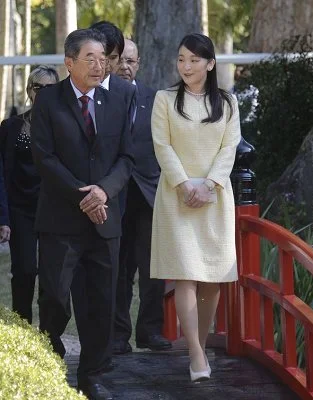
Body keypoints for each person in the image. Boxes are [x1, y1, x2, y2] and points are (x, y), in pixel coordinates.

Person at [30, 28, 134, 400]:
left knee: (101, 301)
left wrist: (103, 191)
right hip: (61, 220)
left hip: (106, 220)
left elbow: (127, 156)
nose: (99, 64)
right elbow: (43, 158)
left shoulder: (121, 97)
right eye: (89, 58)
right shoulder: (48, 101)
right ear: (69, 63)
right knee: (55, 297)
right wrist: (83, 196)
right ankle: (52, 356)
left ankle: (93, 374)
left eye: (102, 56)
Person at [150, 33, 240, 382]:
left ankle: (197, 348)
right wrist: (185, 184)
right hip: (177, 196)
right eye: (181, 59)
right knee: (185, 273)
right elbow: (162, 145)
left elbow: (229, 148)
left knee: (211, 278)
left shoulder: (229, 103)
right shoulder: (165, 99)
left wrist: (209, 185)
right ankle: (196, 354)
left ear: (210, 64)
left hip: (215, 198)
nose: (186, 66)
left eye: (193, 60)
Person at [112, 38, 171, 355]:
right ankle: (118, 335)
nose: (125, 66)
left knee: (153, 269)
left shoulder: (156, 99)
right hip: (115, 195)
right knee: (119, 269)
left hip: (150, 194)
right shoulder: (102, 97)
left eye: (131, 61)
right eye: (120, 60)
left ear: (139, 63)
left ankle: (150, 332)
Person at [0, 66, 59, 324]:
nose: (43, 92)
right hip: (20, 209)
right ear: (29, 91)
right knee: (24, 271)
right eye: (38, 87)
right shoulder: (11, 126)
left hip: (53, 209)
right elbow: (1, 173)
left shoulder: (65, 126)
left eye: (50, 88)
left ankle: (49, 334)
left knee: (51, 276)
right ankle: (23, 329)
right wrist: (3, 217)